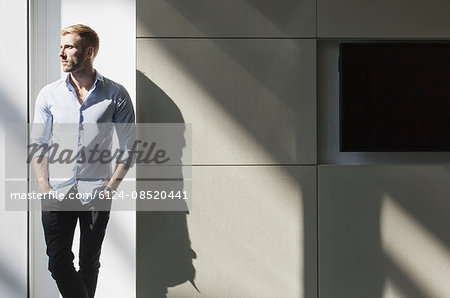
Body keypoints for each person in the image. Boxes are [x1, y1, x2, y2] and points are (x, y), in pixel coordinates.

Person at [31, 24, 135, 298]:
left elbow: (129, 147)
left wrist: (110, 188)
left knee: (90, 262)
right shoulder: (49, 95)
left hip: (97, 193)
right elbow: (38, 145)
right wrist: (44, 187)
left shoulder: (116, 94)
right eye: (61, 47)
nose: (61, 53)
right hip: (57, 192)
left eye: (69, 47)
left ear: (88, 52)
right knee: (57, 262)